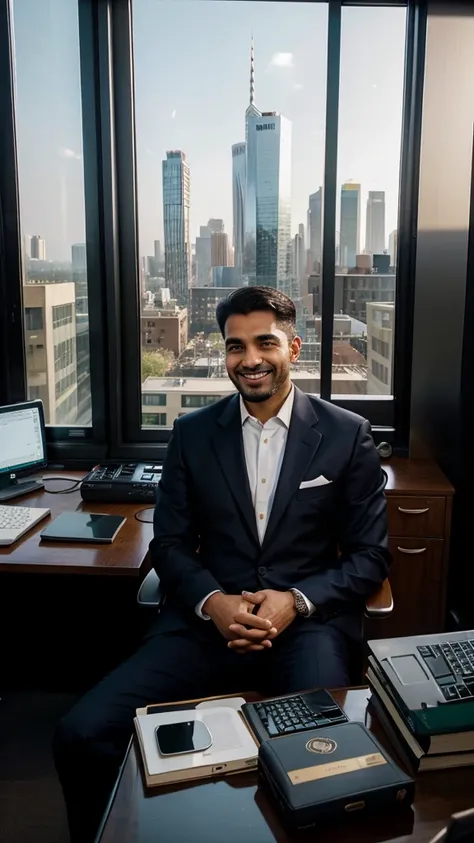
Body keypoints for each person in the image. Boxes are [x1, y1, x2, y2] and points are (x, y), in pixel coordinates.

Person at [53, 286, 390, 842]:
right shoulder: (191, 434)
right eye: (236, 346)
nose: (250, 359)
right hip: (204, 627)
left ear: (294, 348)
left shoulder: (345, 434)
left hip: (305, 630)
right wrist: (214, 602)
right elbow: (171, 543)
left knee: (324, 761)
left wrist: (296, 601)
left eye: (265, 343)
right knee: (82, 732)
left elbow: (370, 555)